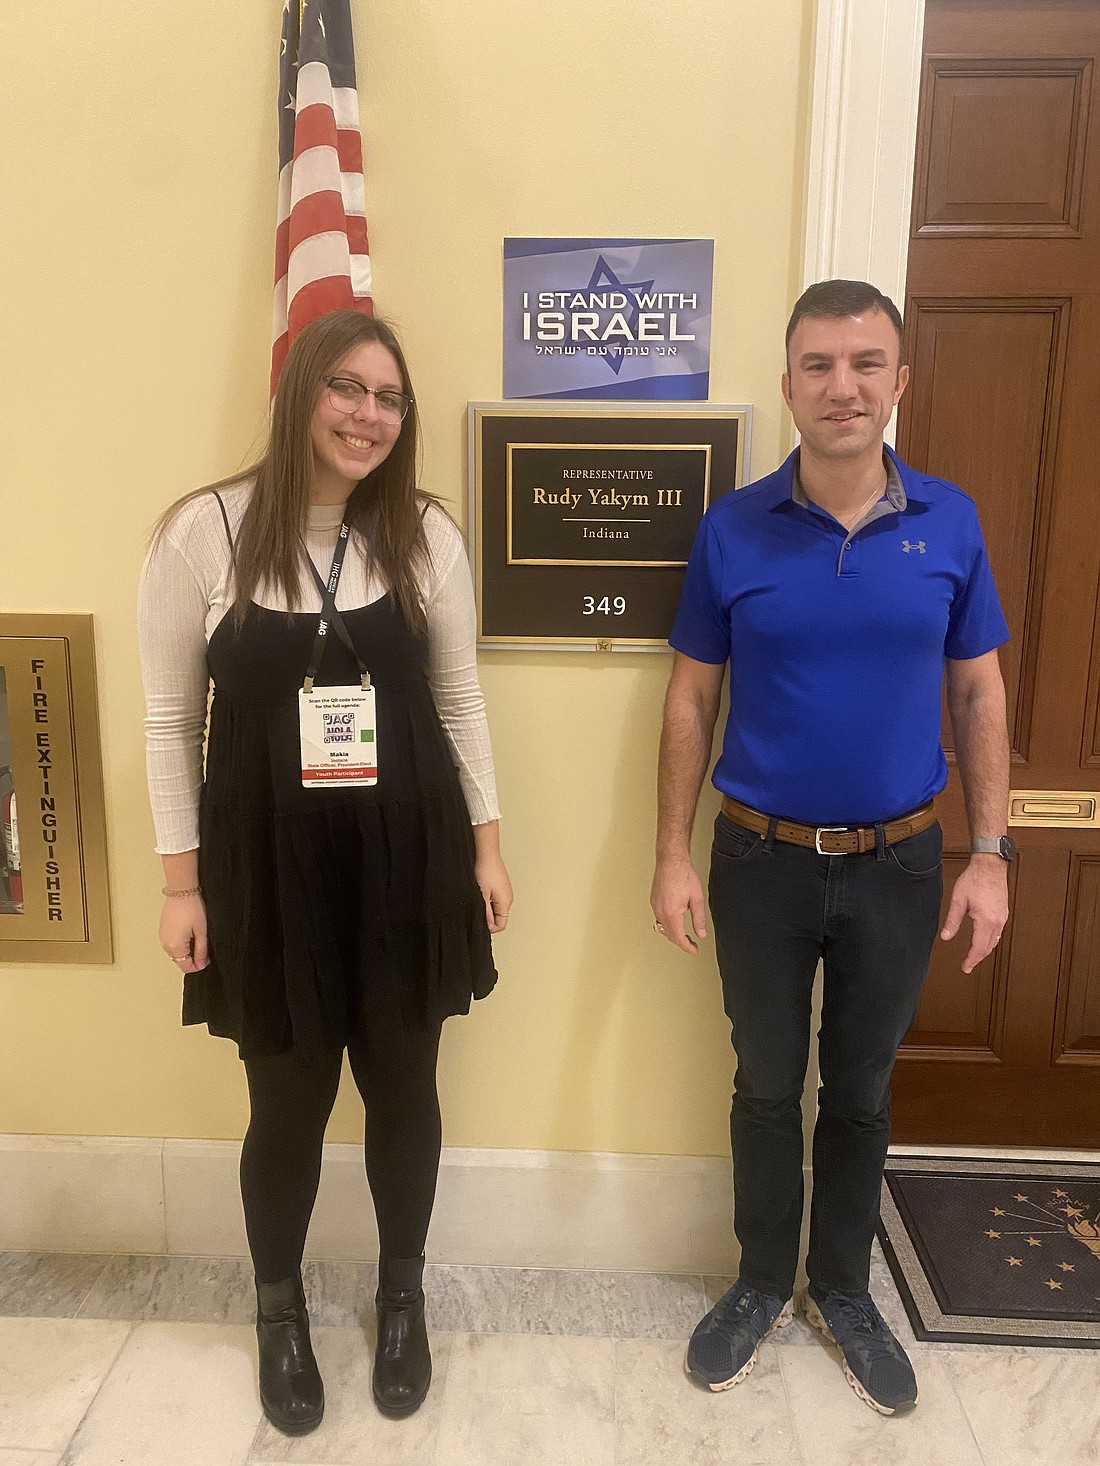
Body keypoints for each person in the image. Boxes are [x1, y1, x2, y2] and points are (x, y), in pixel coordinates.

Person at [138, 310, 512, 1435]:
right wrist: (179, 882)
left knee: (405, 1087)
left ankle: (402, 1299)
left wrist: (488, 847)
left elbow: (458, 702)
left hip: (409, 864)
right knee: (286, 1104)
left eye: (389, 398)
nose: (368, 415)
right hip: (265, 871)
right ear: (300, 389)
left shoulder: (424, 533)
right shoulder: (203, 531)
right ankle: (279, 1312)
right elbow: (167, 723)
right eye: (347, 387)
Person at [651, 280, 1012, 1416]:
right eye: (817, 364)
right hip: (756, 860)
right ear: (788, 384)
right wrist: (669, 849)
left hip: (899, 863)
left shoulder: (948, 522)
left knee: (856, 1088)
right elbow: (686, 699)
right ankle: (761, 1279)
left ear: (898, 381)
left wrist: (991, 852)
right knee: (764, 1081)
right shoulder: (731, 528)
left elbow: (978, 689)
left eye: (864, 363)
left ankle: (842, 1288)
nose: (841, 385)